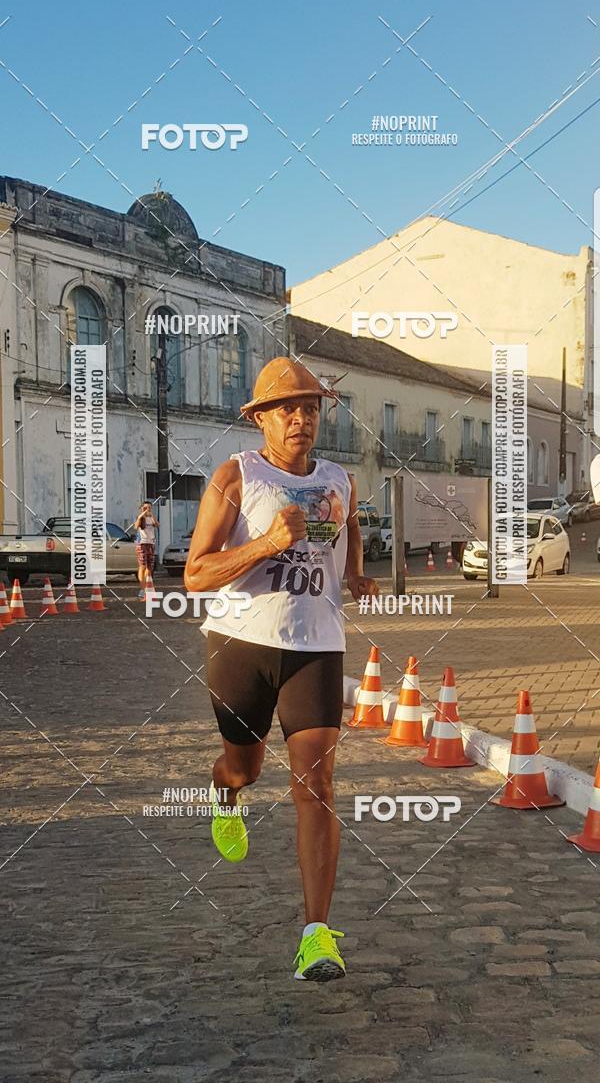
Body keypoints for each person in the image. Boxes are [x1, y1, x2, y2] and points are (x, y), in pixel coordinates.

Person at [184, 358, 379, 982]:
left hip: (317, 647)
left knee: (316, 785)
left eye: (311, 408)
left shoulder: (338, 479)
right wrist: (267, 543)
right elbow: (195, 574)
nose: (301, 418)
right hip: (241, 642)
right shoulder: (235, 477)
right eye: (287, 408)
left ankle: (315, 935)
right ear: (261, 418)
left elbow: (346, 526)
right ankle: (226, 791)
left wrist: (353, 575)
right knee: (245, 765)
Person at [134, 501, 159, 599]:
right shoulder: (140, 518)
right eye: (145, 508)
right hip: (142, 543)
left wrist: (151, 515)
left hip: (151, 543)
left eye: (149, 507)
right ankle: (142, 588)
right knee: (142, 566)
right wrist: (142, 515)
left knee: (150, 567)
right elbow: (136, 527)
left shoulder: (151, 518)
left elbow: (157, 525)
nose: (147, 509)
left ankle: (148, 587)